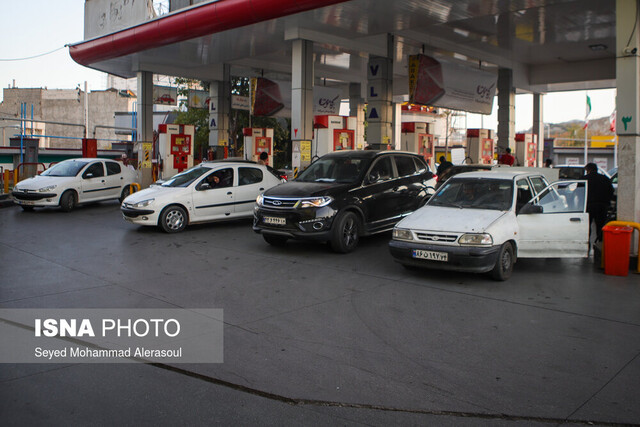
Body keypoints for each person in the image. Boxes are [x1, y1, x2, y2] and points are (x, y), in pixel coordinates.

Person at [584, 163, 614, 244]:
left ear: (589, 170)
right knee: (600, 225)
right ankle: (600, 243)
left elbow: (579, 193)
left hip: (588, 206)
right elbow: (611, 191)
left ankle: (587, 243)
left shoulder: (584, 179)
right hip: (602, 206)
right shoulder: (605, 178)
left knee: (587, 226)